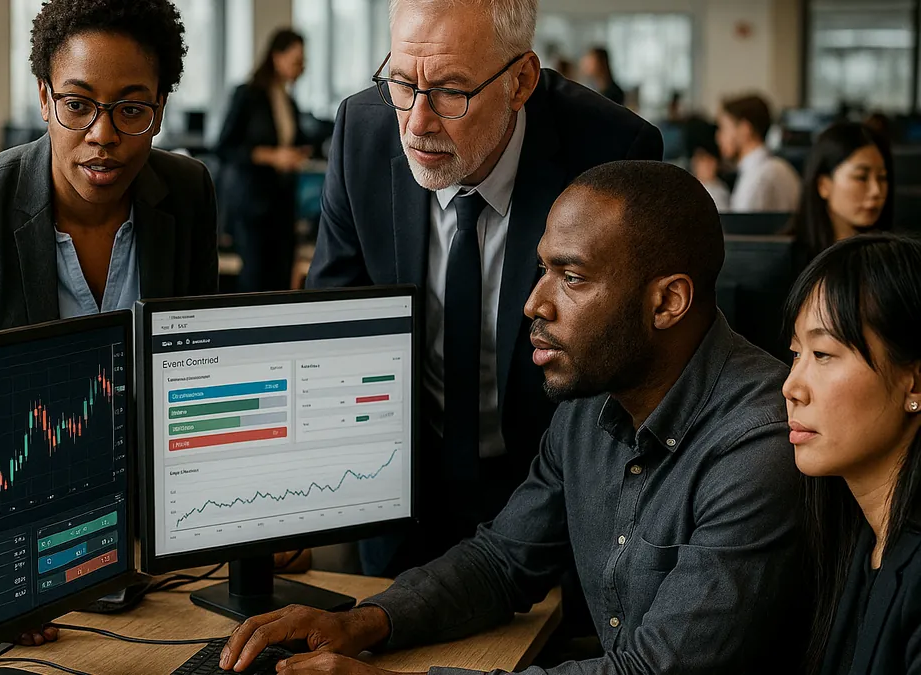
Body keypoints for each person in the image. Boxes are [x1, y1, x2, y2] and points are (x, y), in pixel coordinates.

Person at [222, 161, 804, 674]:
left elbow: (654, 670)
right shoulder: (591, 399)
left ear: (668, 302)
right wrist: (362, 623)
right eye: (542, 269)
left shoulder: (758, 445)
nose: (534, 303)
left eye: (571, 278)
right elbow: (502, 562)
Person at [307, 0, 663, 577]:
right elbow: (333, 321)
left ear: (520, 81)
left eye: (451, 92)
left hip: (550, 485)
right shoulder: (362, 131)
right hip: (402, 480)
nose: (416, 123)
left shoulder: (610, 152)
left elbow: (620, 368)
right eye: (401, 83)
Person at [0, 0, 218, 347]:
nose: (102, 135)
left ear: (160, 109)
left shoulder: (188, 190)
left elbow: (202, 352)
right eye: (77, 105)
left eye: (131, 110)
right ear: (45, 99)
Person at [783, 233, 921, 675]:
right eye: (796, 353)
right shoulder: (856, 535)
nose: (791, 387)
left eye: (823, 353)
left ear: (915, 384)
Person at [216, 29, 311, 293]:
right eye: (296, 61)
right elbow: (224, 147)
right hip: (253, 204)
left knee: (281, 280)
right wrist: (272, 156)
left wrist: (298, 153)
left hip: (283, 203)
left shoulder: (288, 101)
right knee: (255, 281)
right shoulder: (247, 95)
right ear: (276, 57)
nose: (302, 68)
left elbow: (299, 140)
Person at [789, 122, 893, 263]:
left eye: (882, 178)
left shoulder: (896, 259)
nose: (876, 191)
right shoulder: (786, 258)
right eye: (861, 177)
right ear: (823, 185)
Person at [710, 93, 801, 213]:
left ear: (745, 129)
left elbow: (740, 223)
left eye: (724, 128)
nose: (718, 137)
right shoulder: (783, 168)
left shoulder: (756, 179)